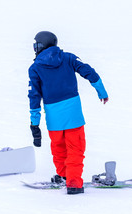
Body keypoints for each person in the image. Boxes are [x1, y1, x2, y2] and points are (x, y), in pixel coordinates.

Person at [28, 31, 108, 194]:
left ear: (41, 46)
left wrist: (34, 123)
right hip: (73, 114)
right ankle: (73, 182)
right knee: (75, 149)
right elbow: (89, 72)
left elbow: (34, 96)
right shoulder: (68, 58)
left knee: (58, 148)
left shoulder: (35, 68)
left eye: (36, 45)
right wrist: (102, 92)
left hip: (53, 116)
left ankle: (64, 175)